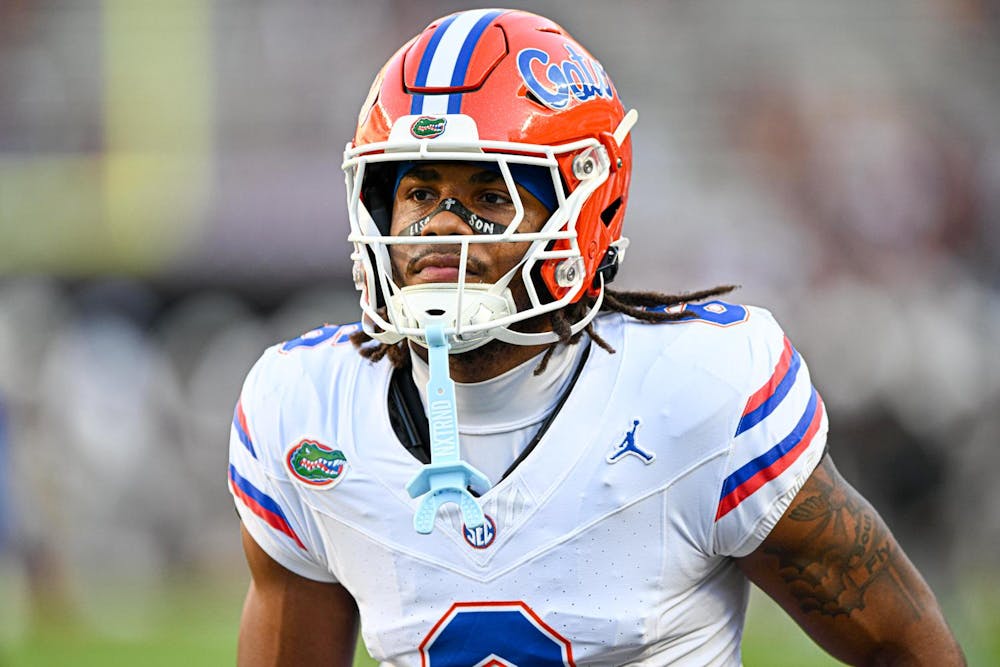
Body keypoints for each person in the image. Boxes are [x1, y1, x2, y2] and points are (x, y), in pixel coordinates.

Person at [228, 8, 965, 666]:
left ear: (585, 212)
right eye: (419, 192)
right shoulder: (307, 409)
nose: (442, 226)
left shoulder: (696, 390)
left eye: (492, 193)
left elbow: (902, 643)